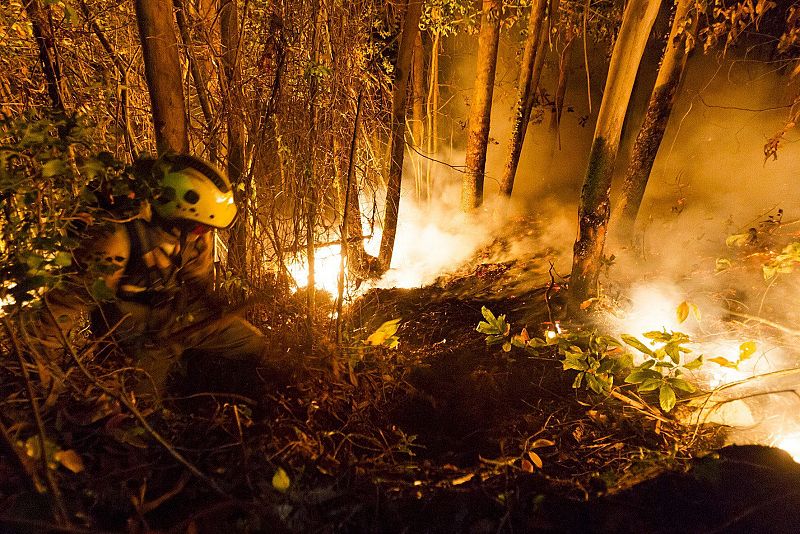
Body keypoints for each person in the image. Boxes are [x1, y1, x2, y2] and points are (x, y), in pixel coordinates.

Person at [29, 154, 278, 401]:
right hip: (135, 335)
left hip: (178, 318)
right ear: (174, 215)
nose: (206, 234)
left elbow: (198, 283)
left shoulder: (195, 234)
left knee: (252, 346)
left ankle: (195, 387)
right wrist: (43, 378)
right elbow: (62, 307)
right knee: (141, 411)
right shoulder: (116, 241)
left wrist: (214, 314)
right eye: (200, 227)